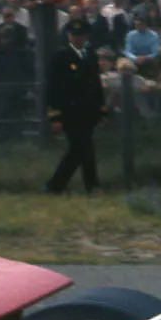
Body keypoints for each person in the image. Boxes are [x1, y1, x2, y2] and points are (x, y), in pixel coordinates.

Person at [44, 19, 108, 194]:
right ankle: (84, 185)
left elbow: (96, 84)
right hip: (70, 111)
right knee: (81, 148)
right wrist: (55, 116)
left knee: (82, 149)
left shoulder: (90, 55)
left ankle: (59, 185)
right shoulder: (60, 57)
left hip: (88, 110)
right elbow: (53, 87)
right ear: (68, 36)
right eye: (75, 35)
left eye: (81, 35)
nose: (78, 39)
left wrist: (101, 110)